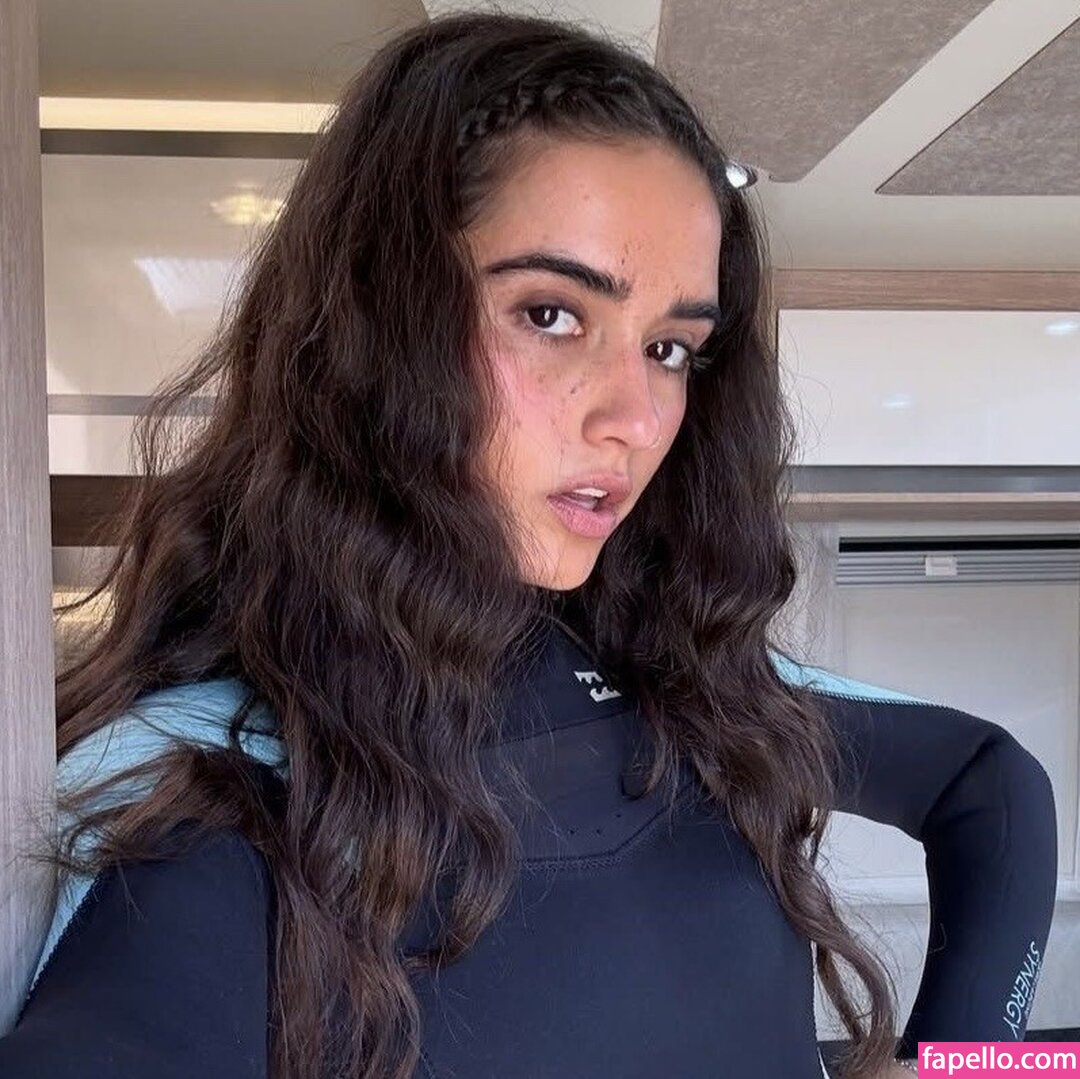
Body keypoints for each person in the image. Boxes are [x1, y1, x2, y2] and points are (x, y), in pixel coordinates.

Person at [0, 11, 1057, 1079]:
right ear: (376, 321)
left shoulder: (685, 680)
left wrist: (973, 1065)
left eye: (670, 347)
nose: (634, 417)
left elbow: (991, 781)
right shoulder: (213, 797)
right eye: (550, 314)